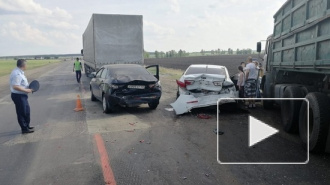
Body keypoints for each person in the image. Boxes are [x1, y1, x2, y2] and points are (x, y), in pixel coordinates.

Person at [10, 59, 34, 134]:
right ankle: (24, 128)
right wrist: (27, 90)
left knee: (26, 111)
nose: (27, 66)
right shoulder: (17, 74)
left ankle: (27, 125)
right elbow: (15, 86)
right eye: (26, 64)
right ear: (23, 65)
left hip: (22, 95)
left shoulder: (20, 72)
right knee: (22, 112)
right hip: (18, 96)